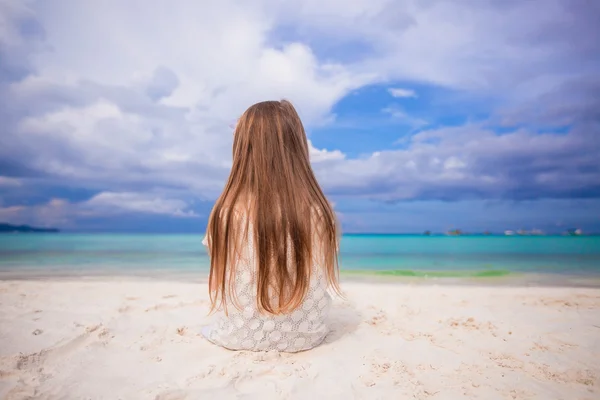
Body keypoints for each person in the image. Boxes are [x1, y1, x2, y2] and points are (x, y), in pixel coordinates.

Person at [200, 99, 341, 352]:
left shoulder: (226, 212)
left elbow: (220, 268)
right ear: (297, 147)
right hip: (306, 336)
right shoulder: (319, 211)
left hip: (237, 336)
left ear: (242, 149)